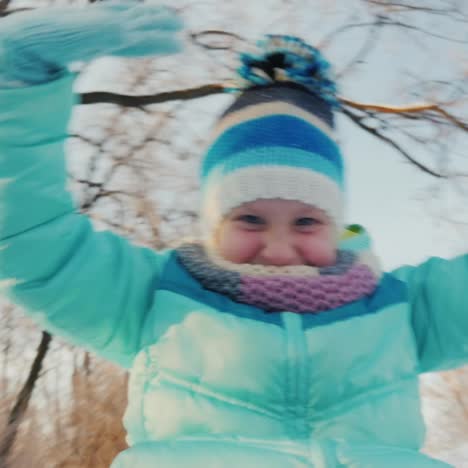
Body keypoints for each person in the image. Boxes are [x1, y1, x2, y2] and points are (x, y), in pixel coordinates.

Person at [0, 2, 466, 467]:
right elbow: (33, 242)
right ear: (213, 221)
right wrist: (17, 75)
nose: (279, 248)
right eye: (250, 219)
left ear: (336, 222)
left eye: (306, 221)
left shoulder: (401, 307)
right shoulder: (153, 296)